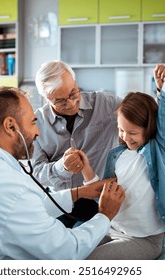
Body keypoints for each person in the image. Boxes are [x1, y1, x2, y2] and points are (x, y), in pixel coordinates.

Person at [0, 86, 125, 260]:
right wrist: (105, 214)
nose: (37, 132)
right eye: (33, 122)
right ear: (10, 126)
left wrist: (78, 192)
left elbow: (21, 209)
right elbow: (67, 251)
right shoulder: (8, 186)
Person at [80, 40, 165, 259]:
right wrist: (85, 168)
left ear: (149, 129)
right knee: (71, 252)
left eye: (132, 133)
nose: (125, 137)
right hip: (111, 228)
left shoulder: (158, 149)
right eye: (121, 130)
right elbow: (102, 195)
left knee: (92, 263)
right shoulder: (118, 155)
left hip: (143, 239)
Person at [33, 60, 122, 227]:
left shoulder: (106, 103)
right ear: (46, 97)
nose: (71, 103)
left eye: (73, 93)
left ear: (76, 83)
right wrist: (62, 168)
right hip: (62, 210)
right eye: (60, 101)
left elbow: (144, 116)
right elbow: (36, 174)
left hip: (106, 206)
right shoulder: (35, 124)